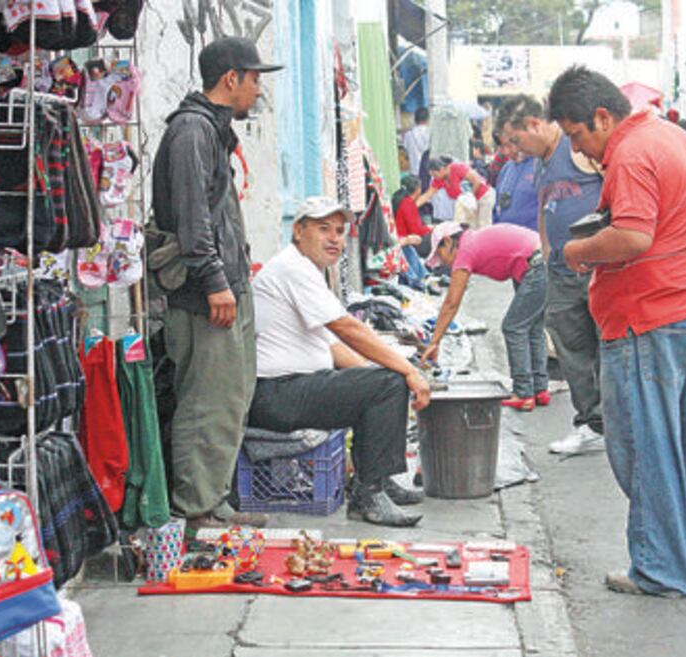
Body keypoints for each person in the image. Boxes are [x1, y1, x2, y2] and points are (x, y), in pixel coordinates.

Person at [548, 66, 686, 598]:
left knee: (645, 450)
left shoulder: (630, 152)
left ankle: (661, 567)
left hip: (649, 317)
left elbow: (631, 236)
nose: (579, 150)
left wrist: (577, 252)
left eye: (578, 135)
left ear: (602, 117)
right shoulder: (674, 136)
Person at [151, 36, 282, 531]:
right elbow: (193, 218)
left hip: (227, 284)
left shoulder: (211, 128)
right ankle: (194, 511)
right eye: (254, 79)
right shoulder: (191, 130)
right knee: (206, 400)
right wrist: (214, 282)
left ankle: (213, 501)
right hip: (205, 294)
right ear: (232, 78)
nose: (258, 90)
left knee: (229, 396)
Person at [248, 196, 430, 527]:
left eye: (339, 231)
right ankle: (368, 494)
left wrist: (380, 380)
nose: (334, 239)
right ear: (298, 231)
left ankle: (374, 478)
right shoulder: (292, 268)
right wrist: (407, 372)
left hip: (291, 388)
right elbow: (347, 329)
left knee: (382, 383)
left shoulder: (307, 271)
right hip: (276, 393)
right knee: (388, 383)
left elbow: (333, 346)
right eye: (323, 229)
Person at [497, 93, 605, 454]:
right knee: (572, 352)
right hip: (559, 270)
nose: (515, 149)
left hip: (596, 268)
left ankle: (615, 421)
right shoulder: (539, 163)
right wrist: (545, 251)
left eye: (516, 139)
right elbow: (546, 207)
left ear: (534, 124)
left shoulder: (577, 148)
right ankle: (591, 423)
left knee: (607, 346)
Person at [420, 222, 548, 411]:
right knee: (532, 327)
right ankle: (539, 389)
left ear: (447, 242)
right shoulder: (470, 242)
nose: (443, 263)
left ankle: (523, 393)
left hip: (535, 265)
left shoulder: (465, 251)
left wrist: (434, 342)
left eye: (440, 255)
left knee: (514, 327)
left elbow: (451, 303)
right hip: (538, 260)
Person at [417, 156, 497, 229]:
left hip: (483, 197)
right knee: (469, 227)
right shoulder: (438, 179)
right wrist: (413, 206)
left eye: (435, 174)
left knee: (483, 225)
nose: (435, 177)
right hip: (468, 203)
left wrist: (470, 197)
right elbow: (427, 195)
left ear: (442, 168)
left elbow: (476, 181)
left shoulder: (458, 168)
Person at [493, 146, 539, 230]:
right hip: (506, 232)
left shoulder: (540, 166)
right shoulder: (506, 168)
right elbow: (497, 202)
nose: (506, 152)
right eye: (503, 147)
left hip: (532, 233)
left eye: (509, 145)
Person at [393, 174, 434, 257]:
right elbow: (416, 230)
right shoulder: (407, 203)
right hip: (406, 241)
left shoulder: (400, 199)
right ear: (418, 189)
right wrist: (430, 228)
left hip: (400, 238)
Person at [403, 107, 430, 176]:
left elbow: (405, 153)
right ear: (427, 119)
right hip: (429, 172)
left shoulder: (408, 135)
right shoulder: (431, 134)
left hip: (414, 172)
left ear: (415, 119)